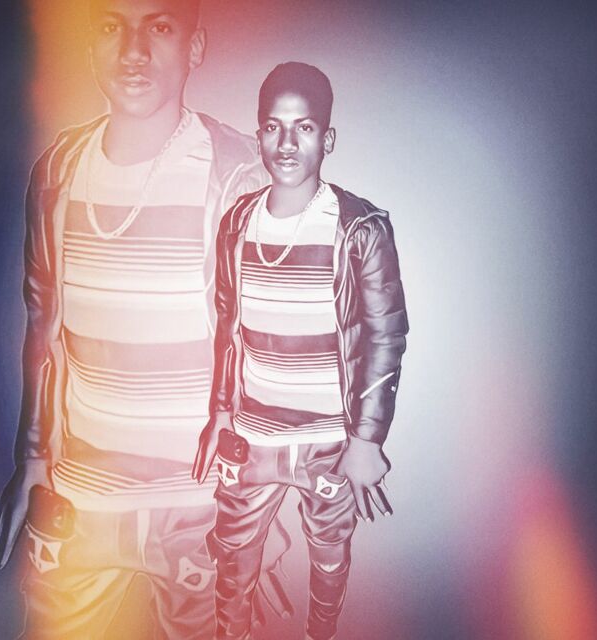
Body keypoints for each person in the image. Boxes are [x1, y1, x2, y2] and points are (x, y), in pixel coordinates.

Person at [0, 1, 277, 638]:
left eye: (160, 27)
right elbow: (43, 324)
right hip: (80, 504)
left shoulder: (239, 174)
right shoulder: (59, 170)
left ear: (194, 47)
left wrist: (263, 500)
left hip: (201, 512)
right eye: (111, 27)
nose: (134, 51)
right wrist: (33, 460)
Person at [193, 62, 409, 640]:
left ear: (327, 139)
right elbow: (227, 325)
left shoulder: (359, 228)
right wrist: (220, 413)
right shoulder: (238, 222)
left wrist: (367, 440)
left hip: (329, 443)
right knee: (232, 562)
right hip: (252, 437)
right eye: (273, 126)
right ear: (259, 133)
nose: (286, 142)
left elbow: (386, 336)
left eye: (304, 127)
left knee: (329, 558)